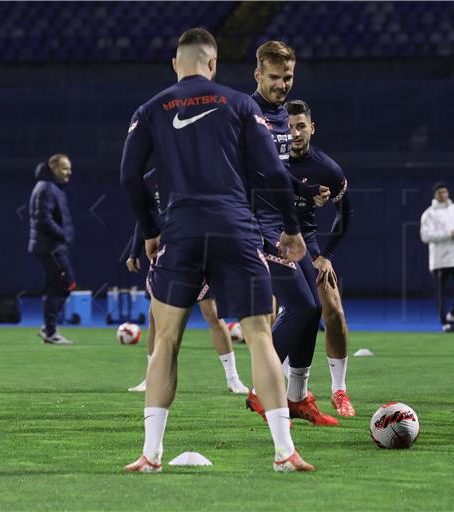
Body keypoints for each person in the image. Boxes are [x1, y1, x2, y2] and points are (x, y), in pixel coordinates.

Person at [120, 28, 314, 472]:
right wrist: (291, 230)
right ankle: (285, 451)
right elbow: (274, 174)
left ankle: (151, 455)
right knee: (261, 337)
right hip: (235, 229)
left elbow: (130, 177)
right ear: (213, 64)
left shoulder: (151, 109)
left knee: (166, 340)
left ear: (176, 64)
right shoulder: (241, 105)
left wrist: (150, 230)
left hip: (180, 229)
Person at [244, 41, 339, 427]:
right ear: (257, 75)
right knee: (300, 306)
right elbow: (256, 174)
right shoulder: (248, 114)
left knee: (312, 308)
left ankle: (297, 397)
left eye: (288, 77)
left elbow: (278, 172)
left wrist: (304, 192)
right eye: (274, 77)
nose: (282, 84)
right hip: (256, 227)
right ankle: (261, 392)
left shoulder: (281, 115)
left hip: (279, 224)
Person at [125, 169, 249, 394]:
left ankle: (233, 378)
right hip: (165, 255)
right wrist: (134, 251)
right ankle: (151, 377)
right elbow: (144, 218)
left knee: (212, 314)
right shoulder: (150, 179)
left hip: (198, 252)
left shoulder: (194, 169)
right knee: (156, 317)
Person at [286, 99, 357, 417]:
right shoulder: (269, 159)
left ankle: (339, 390)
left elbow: (347, 213)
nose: (295, 132)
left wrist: (326, 255)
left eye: (301, 126)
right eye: (289, 127)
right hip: (266, 239)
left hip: (307, 243)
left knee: (334, 312)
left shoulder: (327, 169)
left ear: (312, 128)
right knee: (276, 316)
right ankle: (285, 389)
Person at [28, 154, 75, 345]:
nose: (69, 172)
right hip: (51, 248)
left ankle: (49, 327)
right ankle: (50, 330)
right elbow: (42, 219)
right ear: (54, 168)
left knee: (56, 286)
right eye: (65, 168)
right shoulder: (46, 188)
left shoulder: (52, 187)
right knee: (65, 283)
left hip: (53, 248)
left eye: (69, 168)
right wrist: (63, 234)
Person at [420, 182, 454, 333]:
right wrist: (449, 234)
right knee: (441, 294)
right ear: (435, 195)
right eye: (440, 192)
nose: (443, 195)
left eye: (445, 192)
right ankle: (445, 324)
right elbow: (425, 236)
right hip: (439, 261)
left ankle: (452, 315)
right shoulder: (429, 214)